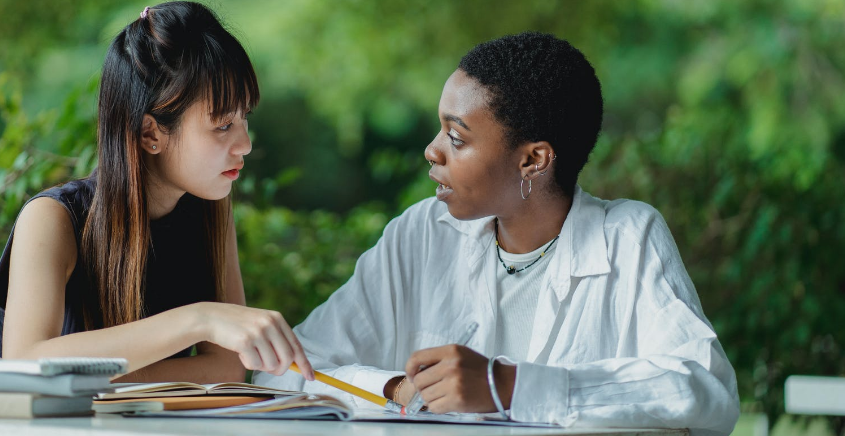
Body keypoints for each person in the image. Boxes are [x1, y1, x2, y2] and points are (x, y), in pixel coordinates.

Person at [255, 32, 739, 436]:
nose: (431, 150)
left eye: (457, 138)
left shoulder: (627, 237)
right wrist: (396, 389)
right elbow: (285, 370)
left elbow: (706, 390)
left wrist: (508, 387)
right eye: (439, 131)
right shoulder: (422, 235)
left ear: (533, 159)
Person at [0, 1, 315, 383]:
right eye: (223, 125)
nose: (245, 144)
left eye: (244, 119)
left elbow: (227, 369)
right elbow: (24, 363)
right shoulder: (53, 219)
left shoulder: (209, 210)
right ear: (150, 133)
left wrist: (89, 377)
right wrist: (199, 319)